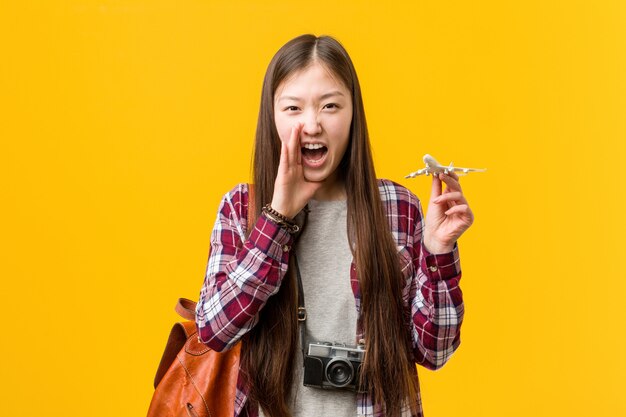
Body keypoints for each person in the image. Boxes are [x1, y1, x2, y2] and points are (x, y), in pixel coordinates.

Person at [195, 34, 473, 417]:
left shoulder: (397, 207)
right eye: (293, 108)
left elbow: (435, 350)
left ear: (352, 113)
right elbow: (213, 329)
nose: (312, 124)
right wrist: (276, 217)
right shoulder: (243, 207)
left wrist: (439, 251)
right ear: (272, 116)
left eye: (330, 106)